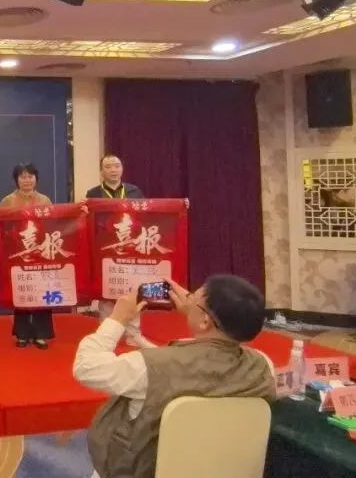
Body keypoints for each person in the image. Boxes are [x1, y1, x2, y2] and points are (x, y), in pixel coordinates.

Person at [76, 275, 275, 478]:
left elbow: (86, 367)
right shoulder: (263, 366)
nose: (188, 299)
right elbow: (199, 363)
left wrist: (116, 319)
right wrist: (198, 316)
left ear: (206, 320)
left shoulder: (147, 368)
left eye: (193, 298)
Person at [84, 154, 148, 348]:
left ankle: (133, 333)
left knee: (132, 290)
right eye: (108, 166)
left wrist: (180, 207)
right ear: (101, 171)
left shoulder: (134, 191)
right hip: (105, 249)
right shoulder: (93, 194)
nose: (113, 169)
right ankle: (107, 335)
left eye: (116, 165)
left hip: (131, 249)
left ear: (122, 169)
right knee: (107, 291)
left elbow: (148, 214)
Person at [0, 162, 56, 349]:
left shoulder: (45, 200)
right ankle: (22, 334)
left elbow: (53, 225)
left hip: (40, 254)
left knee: (41, 294)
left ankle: (41, 334)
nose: (27, 180)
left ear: (36, 179)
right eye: (22, 176)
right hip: (18, 254)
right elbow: (1, 227)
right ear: (16, 179)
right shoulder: (8, 201)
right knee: (21, 293)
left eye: (30, 176)